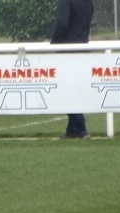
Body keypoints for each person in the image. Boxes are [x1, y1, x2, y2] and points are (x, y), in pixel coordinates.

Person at [51, 0, 93, 139]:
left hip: (67, 50)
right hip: (82, 48)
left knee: (67, 90)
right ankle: (72, 129)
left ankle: (80, 127)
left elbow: (62, 24)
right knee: (75, 89)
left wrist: (54, 43)